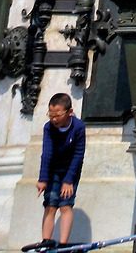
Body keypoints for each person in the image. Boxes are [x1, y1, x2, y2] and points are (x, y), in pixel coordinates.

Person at [36, 92, 85, 247]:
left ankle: (63, 244)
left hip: (71, 170)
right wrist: (43, 179)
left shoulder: (78, 127)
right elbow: (47, 153)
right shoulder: (49, 128)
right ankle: (45, 242)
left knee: (65, 204)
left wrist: (69, 180)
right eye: (51, 115)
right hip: (53, 170)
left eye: (57, 115)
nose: (54, 119)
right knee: (50, 205)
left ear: (69, 112)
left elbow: (78, 155)